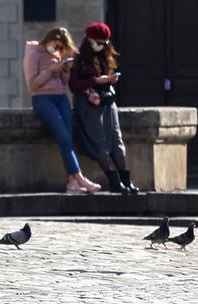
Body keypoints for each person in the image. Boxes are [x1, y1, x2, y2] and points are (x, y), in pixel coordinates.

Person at [24, 27, 100, 194]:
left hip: (61, 98)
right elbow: (32, 85)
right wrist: (50, 70)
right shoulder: (33, 53)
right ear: (48, 39)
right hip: (43, 99)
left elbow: (63, 82)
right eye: (56, 45)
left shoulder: (57, 53)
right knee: (63, 136)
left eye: (61, 47)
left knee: (69, 138)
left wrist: (66, 69)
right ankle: (80, 178)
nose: (57, 49)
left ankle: (72, 184)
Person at [68, 22, 138, 195]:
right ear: (90, 40)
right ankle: (114, 182)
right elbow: (74, 85)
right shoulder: (78, 58)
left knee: (116, 141)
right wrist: (96, 81)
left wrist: (110, 80)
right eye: (99, 42)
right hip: (88, 105)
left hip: (106, 103)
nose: (102, 46)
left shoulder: (105, 56)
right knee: (97, 142)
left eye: (105, 43)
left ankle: (126, 181)